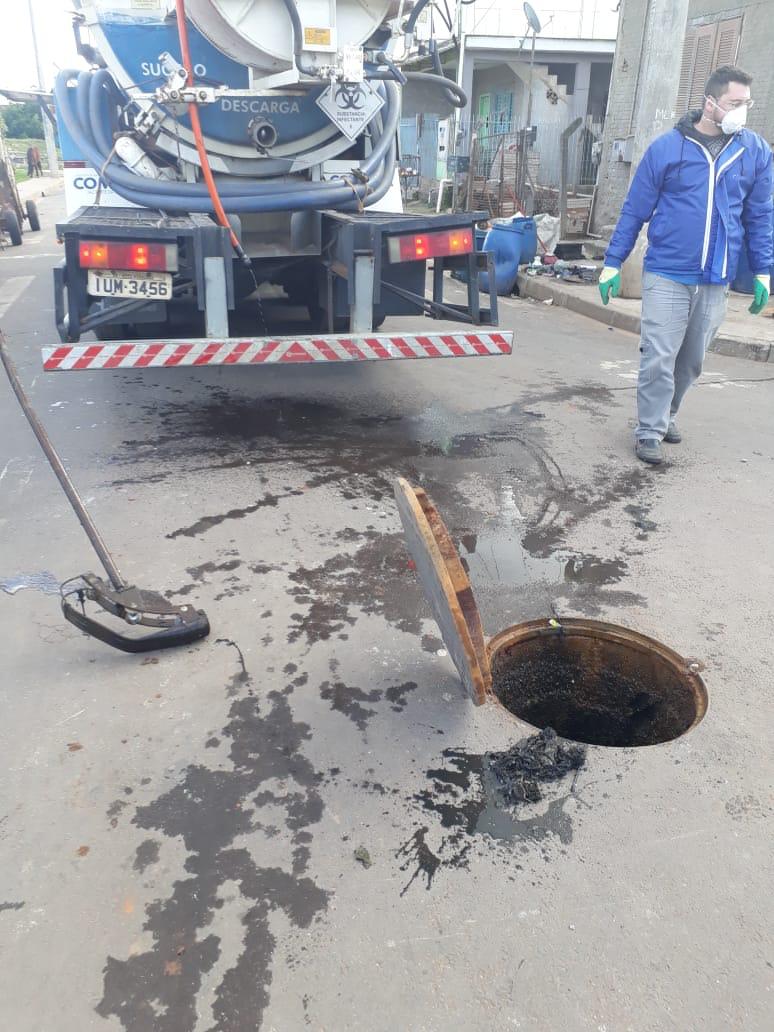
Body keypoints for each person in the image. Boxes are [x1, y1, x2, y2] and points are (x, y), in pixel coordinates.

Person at [599, 66, 773, 465]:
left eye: (746, 103)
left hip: (716, 276)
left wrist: (763, 270)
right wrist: (613, 262)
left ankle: (667, 414)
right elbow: (634, 211)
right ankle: (649, 430)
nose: (741, 111)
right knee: (660, 353)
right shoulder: (667, 149)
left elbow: (761, 216)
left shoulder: (755, 152)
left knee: (692, 358)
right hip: (667, 272)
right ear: (710, 103)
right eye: (734, 103)